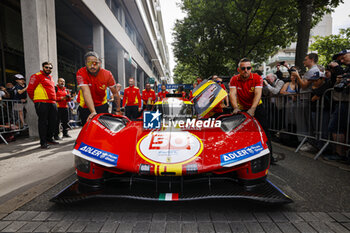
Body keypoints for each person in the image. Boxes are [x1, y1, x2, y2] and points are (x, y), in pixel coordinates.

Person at [229, 58, 275, 164]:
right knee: (241, 134)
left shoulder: (257, 78)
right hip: (242, 108)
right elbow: (232, 94)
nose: (246, 70)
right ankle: (243, 158)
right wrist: (235, 107)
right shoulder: (234, 79)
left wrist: (253, 109)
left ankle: (270, 157)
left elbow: (258, 94)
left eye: (248, 68)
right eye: (243, 68)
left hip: (257, 107)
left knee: (264, 131)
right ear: (238, 69)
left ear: (251, 68)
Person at [76, 51, 121, 125]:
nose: (92, 66)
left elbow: (115, 92)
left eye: (95, 63)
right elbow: (86, 92)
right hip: (85, 106)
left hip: (102, 106)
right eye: (89, 63)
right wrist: (93, 112)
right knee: (88, 131)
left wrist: (118, 110)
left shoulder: (108, 74)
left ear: (99, 63)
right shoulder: (81, 72)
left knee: (104, 130)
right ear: (85, 63)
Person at [27, 62, 58, 149]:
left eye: (50, 68)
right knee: (43, 122)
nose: (48, 69)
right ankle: (43, 142)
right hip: (41, 102)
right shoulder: (36, 76)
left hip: (52, 102)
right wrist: (35, 100)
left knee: (53, 122)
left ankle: (49, 139)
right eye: (46, 67)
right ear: (43, 67)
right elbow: (30, 90)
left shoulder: (50, 77)